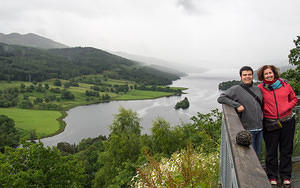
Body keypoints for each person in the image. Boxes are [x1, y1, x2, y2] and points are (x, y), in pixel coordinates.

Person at [257, 65, 298, 186]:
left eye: (270, 73)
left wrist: (286, 107)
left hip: (287, 121)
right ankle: (272, 176)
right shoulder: (260, 88)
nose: (269, 75)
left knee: (286, 150)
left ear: (274, 73)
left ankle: (286, 176)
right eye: (266, 74)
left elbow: (294, 99)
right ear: (262, 76)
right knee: (271, 151)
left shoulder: (285, 84)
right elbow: (257, 102)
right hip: (270, 123)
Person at [217, 66, 264, 157]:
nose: (247, 77)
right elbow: (221, 98)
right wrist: (237, 105)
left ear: (252, 76)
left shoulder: (257, 89)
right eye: (245, 75)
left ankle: (255, 171)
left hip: (260, 128)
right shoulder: (236, 89)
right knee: (250, 156)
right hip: (247, 130)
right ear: (241, 77)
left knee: (257, 155)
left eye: (249, 74)